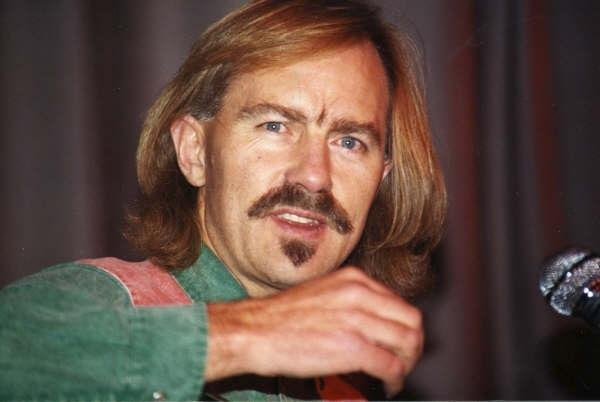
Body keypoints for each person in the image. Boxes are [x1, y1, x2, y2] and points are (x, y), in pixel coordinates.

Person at [0, 0, 446, 400]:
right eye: (275, 126)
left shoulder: (352, 382)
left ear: (380, 180)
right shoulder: (107, 302)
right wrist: (245, 334)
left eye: (349, 142)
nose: (314, 176)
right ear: (194, 152)